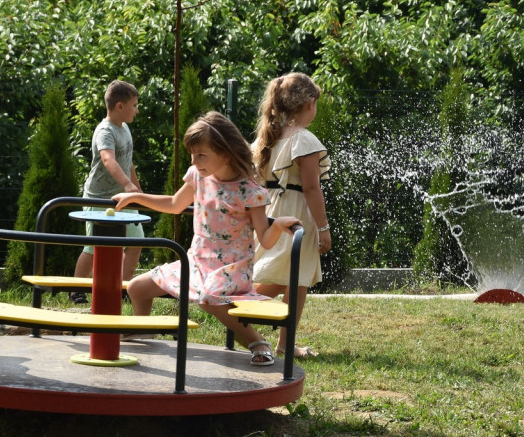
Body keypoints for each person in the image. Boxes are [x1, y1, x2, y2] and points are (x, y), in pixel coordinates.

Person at [113, 112, 300, 366]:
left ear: (225, 153)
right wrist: (136, 198)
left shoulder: (250, 190)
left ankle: (257, 342)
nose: (194, 160)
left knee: (208, 299)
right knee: (136, 288)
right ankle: (144, 329)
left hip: (232, 268)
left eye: (201, 154)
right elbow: (174, 204)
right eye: (192, 154)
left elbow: (265, 240)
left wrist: (277, 224)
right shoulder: (198, 175)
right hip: (197, 262)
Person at [251, 72, 330, 357]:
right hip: (296, 212)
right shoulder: (304, 140)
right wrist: (323, 228)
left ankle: (283, 341)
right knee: (297, 278)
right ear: (310, 102)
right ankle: (239, 306)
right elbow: (311, 187)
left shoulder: (268, 137)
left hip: (272, 209)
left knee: (290, 275)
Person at [70, 80, 142, 303]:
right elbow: (108, 159)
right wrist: (128, 185)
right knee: (93, 248)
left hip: (122, 196)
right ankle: (76, 291)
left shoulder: (124, 127)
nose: (137, 110)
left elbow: (126, 161)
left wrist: (135, 188)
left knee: (136, 242)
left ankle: (120, 289)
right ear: (120, 106)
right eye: (134, 105)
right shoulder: (105, 131)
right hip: (100, 198)